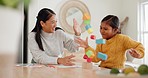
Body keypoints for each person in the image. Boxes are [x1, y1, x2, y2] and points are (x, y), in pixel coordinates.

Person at [75, 15, 145, 69]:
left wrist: (139, 53)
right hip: (102, 69)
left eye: (105, 29)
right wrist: (87, 47)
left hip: (116, 72)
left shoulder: (123, 39)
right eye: (101, 28)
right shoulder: (101, 42)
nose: (102, 31)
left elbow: (139, 45)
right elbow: (95, 58)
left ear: (115, 30)